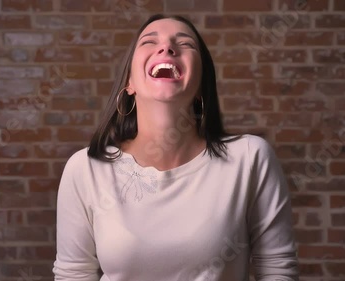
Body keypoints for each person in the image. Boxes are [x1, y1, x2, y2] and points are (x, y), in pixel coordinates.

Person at [53, 14, 299, 281]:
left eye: (185, 44)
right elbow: (73, 275)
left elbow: (278, 271)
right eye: (149, 42)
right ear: (129, 83)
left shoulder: (250, 158)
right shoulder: (86, 169)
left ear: (201, 85)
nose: (167, 48)